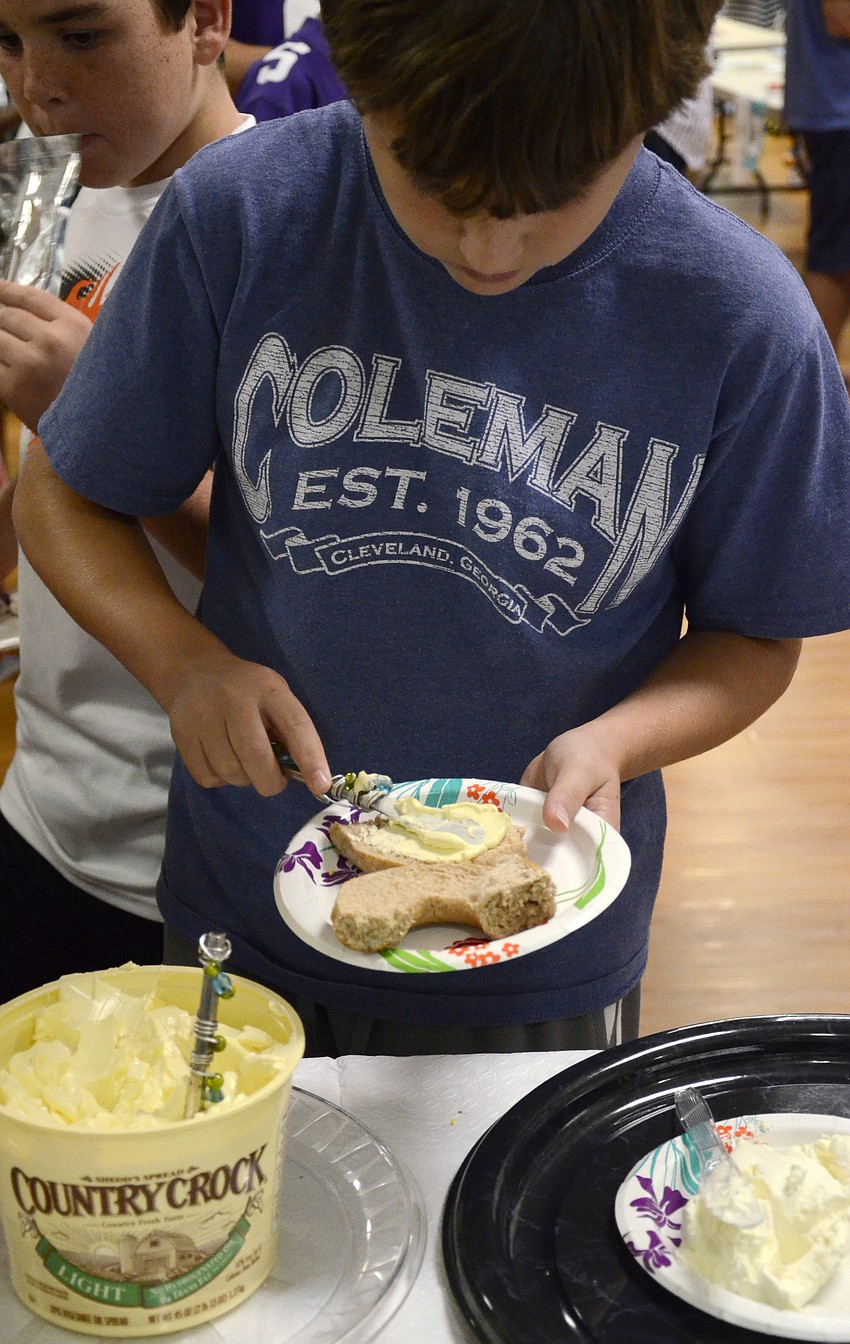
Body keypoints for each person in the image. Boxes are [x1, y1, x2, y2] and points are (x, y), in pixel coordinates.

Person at [13, 0, 850, 1056]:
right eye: (436, 186)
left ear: (649, 117)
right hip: (251, 900)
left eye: (552, 199)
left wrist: (619, 741)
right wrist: (183, 664)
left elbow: (757, 637)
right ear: (360, 80)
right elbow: (69, 490)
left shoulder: (742, 318)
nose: (488, 247)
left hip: (542, 926)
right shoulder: (243, 212)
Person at [0, 0, 254, 1001]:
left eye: (83, 35)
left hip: (212, 827)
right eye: (10, 44)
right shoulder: (46, 204)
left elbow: (300, 572)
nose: (39, 84)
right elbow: (39, 506)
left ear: (204, 21)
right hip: (44, 804)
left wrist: (93, 414)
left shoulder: (286, 220)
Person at [783, 0, 850, 375]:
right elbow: (841, 18)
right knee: (836, 257)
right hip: (838, 109)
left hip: (833, 105)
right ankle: (815, 382)